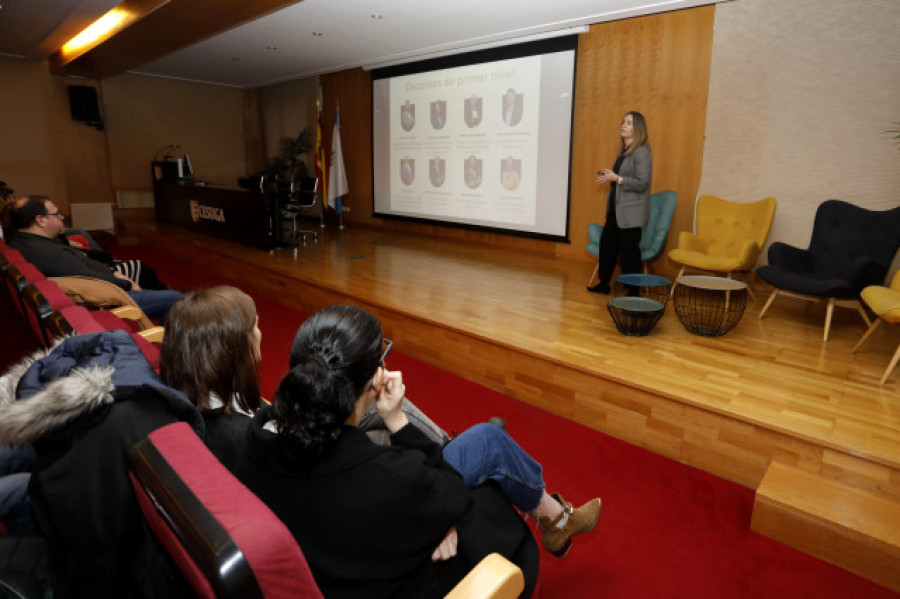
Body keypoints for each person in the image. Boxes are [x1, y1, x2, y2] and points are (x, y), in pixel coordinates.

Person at [231, 305, 601, 598]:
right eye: (381, 357)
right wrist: (397, 422)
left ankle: (543, 507)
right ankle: (551, 516)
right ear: (372, 379)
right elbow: (449, 492)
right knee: (488, 463)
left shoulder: (256, 437)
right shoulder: (387, 477)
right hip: (404, 578)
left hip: (335, 557)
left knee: (483, 443)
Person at [160, 287, 448, 469]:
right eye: (254, 328)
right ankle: (446, 452)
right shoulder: (241, 436)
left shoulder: (195, 401)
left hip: (298, 450)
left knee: (375, 408)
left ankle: (442, 445)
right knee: (380, 406)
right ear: (234, 350)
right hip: (312, 463)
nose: (260, 333)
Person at [6, 196, 181, 320]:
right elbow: (87, 276)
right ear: (41, 221)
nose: (62, 217)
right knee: (178, 300)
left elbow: (84, 267)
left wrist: (115, 274)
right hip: (105, 300)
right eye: (56, 213)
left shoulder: (23, 242)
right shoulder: (44, 252)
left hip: (97, 290)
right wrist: (125, 282)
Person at [588, 111, 653, 294]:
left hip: (630, 213)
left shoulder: (642, 152)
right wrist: (611, 177)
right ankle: (604, 284)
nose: (623, 125)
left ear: (638, 129)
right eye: (623, 121)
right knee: (607, 246)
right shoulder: (623, 153)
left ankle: (634, 291)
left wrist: (618, 178)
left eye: (629, 123)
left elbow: (643, 183)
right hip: (616, 210)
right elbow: (621, 179)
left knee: (629, 253)